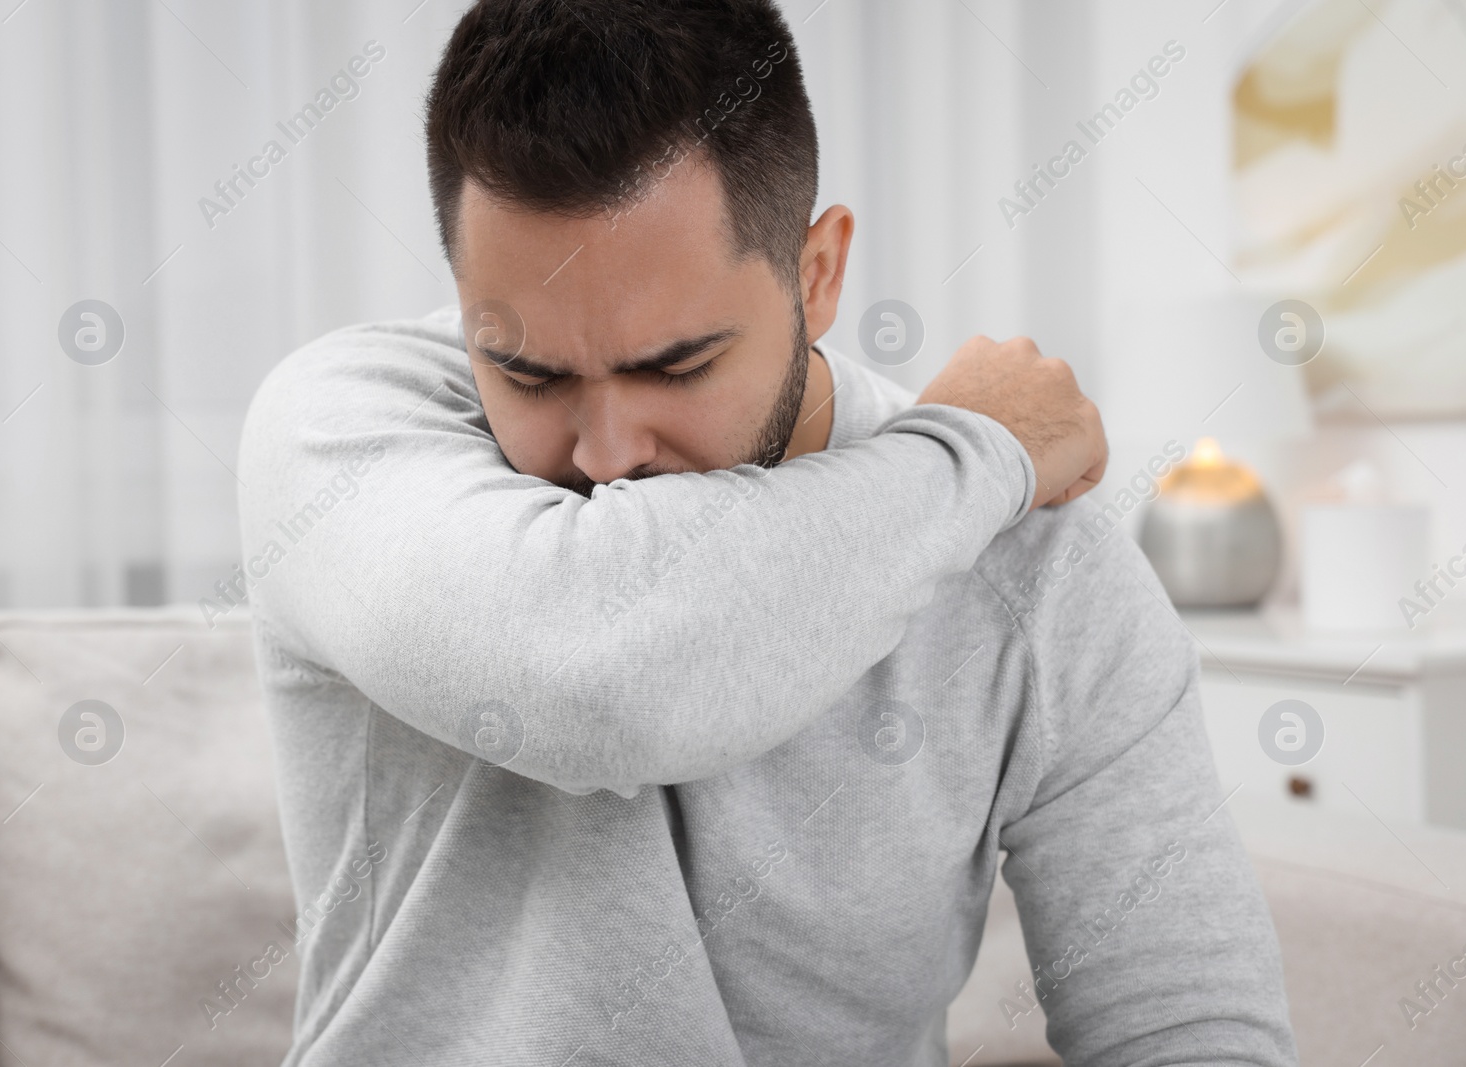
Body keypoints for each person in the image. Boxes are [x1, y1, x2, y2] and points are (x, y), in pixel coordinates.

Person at [236, 1, 1297, 1064]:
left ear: (817, 273)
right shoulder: (339, 429)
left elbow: (1187, 1024)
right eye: (529, 372)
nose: (605, 451)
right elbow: (599, 674)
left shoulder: (1033, 561)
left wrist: (969, 468)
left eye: (675, 365)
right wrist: (968, 451)